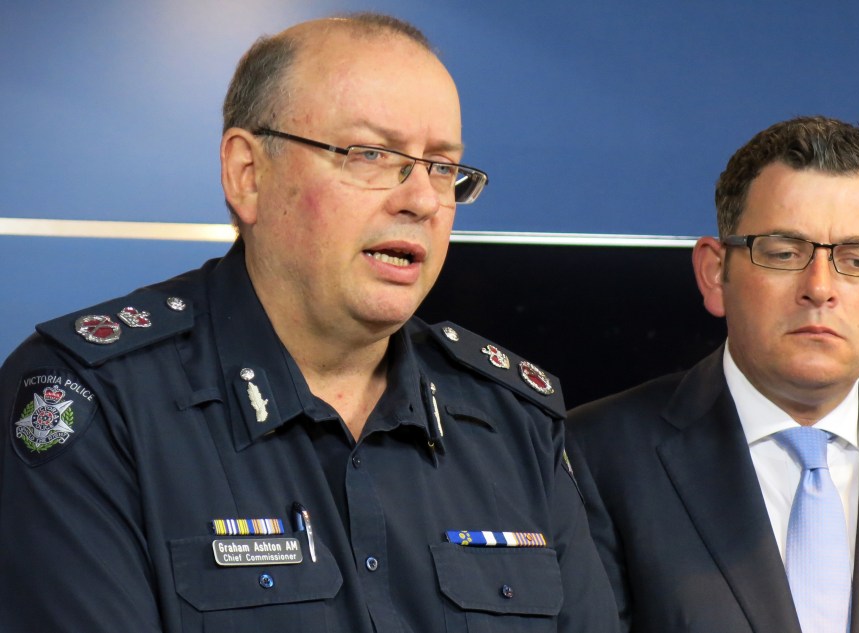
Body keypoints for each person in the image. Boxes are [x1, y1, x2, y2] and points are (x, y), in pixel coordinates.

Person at [0, 13, 617, 633]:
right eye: (372, 154)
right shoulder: (93, 400)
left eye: (441, 167)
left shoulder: (515, 418)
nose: (423, 200)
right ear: (249, 174)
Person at [568, 115, 859, 633]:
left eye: (856, 259)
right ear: (715, 273)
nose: (820, 287)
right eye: (784, 253)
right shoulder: (591, 458)